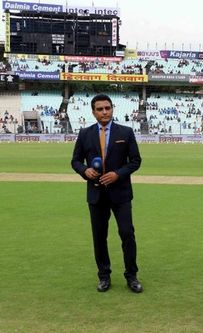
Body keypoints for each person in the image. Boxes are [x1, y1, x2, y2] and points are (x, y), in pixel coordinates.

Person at [71, 94, 143, 293]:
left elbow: (135, 161)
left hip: (120, 194)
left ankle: (132, 276)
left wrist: (117, 175)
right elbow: (75, 161)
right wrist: (85, 171)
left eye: (107, 108)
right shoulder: (85, 134)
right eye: (100, 109)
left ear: (112, 109)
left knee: (127, 234)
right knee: (99, 237)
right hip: (96, 194)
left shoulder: (126, 132)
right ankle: (104, 276)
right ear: (93, 112)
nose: (104, 112)